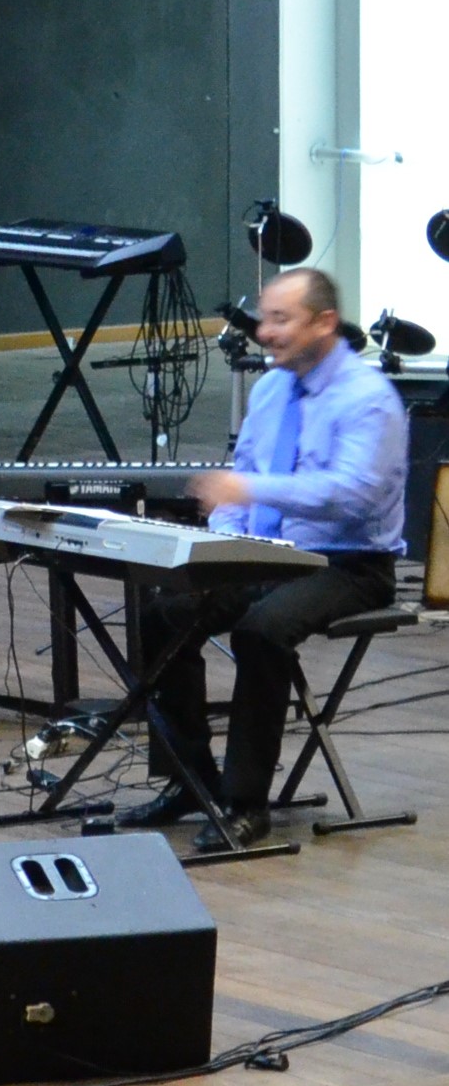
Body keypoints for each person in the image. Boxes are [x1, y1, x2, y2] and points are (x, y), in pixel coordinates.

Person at [129, 268, 407, 850]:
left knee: (263, 631)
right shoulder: (272, 390)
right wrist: (224, 540)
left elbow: (354, 494)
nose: (265, 332)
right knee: (162, 613)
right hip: (265, 554)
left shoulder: (368, 398)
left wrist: (251, 495)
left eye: (281, 320)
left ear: (324, 323)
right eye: (264, 318)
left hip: (348, 562)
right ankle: (190, 781)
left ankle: (243, 801)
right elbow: (243, 476)